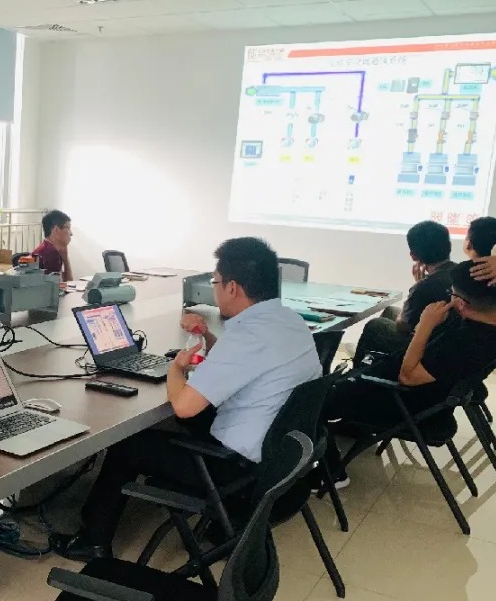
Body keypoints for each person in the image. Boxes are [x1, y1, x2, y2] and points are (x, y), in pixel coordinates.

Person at [50, 237, 321, 561]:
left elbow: (184, 406)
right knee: (182, 419)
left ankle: (93, 541)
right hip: (279, 457)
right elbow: (241, 363)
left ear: (232, 287)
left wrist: (175, 370)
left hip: (237, 469)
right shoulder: (289, 321)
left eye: (215, 282)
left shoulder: (248, 335)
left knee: (129, 443)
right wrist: (205, 336)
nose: (214, 290)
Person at [324, 262, 496, 486]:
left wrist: (425, 325)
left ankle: (330, 474)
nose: (450, 299)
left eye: (453, 295)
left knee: (313, 399)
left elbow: (407, 376)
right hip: (420, 392)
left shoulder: (467, 344)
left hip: (403, 400)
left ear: (461, 304)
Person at [354, 220, 454, 362]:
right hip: (446, 338)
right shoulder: (457, 272)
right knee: (390, 311)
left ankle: (357, 369)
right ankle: (375, 358)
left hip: (426, 345)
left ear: (413, 255)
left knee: (375, 325)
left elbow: (403, 326)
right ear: (449, 246)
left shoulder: (424, 285)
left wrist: (419, 284)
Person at [31, 209, 73, 281]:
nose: (71, 233)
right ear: (56, 230)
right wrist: (66, 260)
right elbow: (66, 284)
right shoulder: (51, 253)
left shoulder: (46, 248)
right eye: (68, 228)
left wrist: (65, 258)